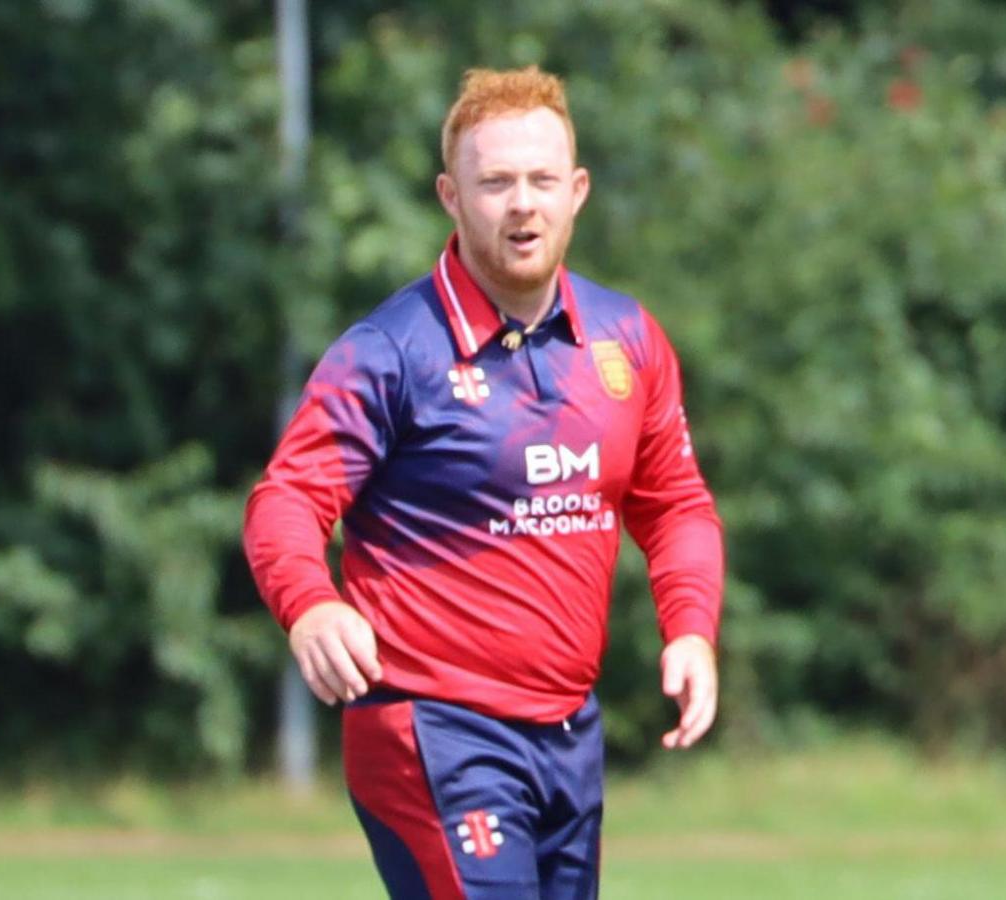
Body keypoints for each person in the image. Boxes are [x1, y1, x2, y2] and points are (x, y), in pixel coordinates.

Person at [243, 65, 724, 900]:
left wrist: (690, 626)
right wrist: (310, 603)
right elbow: (286, 499)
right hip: (431, 727)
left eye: (542, 180)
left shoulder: (628, 339)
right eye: (495, 182)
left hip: (568, 729)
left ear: (578, 192)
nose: (522, 203)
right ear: (450, 197)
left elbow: (675, 502)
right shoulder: (391, 352)